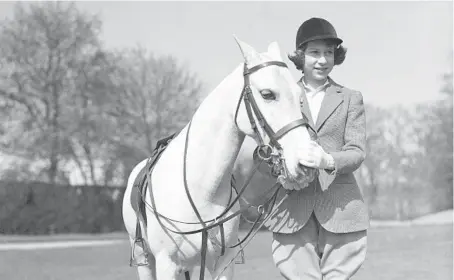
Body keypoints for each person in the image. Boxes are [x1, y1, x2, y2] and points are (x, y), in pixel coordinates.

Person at [265, 17, 369, 280]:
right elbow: (264, 149)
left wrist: (327, 160)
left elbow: (357, 152)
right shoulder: (280, 95)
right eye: (314, 53)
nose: (322, 60)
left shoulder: (350, 98)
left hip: (340, 209)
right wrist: (280, 165)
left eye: (328, 53)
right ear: (300, 57)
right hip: (292, 208)